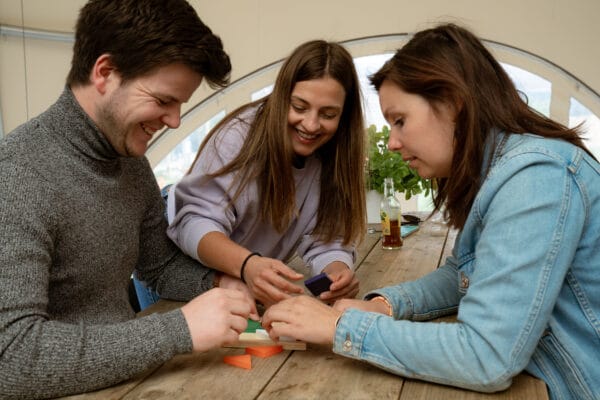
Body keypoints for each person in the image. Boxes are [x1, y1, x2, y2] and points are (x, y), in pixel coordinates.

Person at [261, 23, 600, 400]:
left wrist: (339, 327)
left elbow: (486, 356)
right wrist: (385, 304)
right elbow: (462, 274)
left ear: (453, 102)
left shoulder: (535, 177)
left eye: (400, 120)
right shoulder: (499, 171)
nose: (392, 142)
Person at [0, 1, 258, 398]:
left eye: (180, 105)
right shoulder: (17, 175)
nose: (174, 121)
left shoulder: (130, 162)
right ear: (105, 72)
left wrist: (220, 283)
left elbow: (160, 268)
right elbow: (12, 357)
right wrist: (180, 329)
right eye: (163, 100)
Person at [164, 40, 367, 308]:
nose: (311, 125)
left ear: (344, 117)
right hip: (181, 275)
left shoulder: (335, 154)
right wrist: (247, 265)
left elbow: (327, 239)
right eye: (299, 107)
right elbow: (195, 222)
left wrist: (337, 271)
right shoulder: (238, 136)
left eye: (328, 114)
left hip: (242, 282)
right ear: (281, 97)